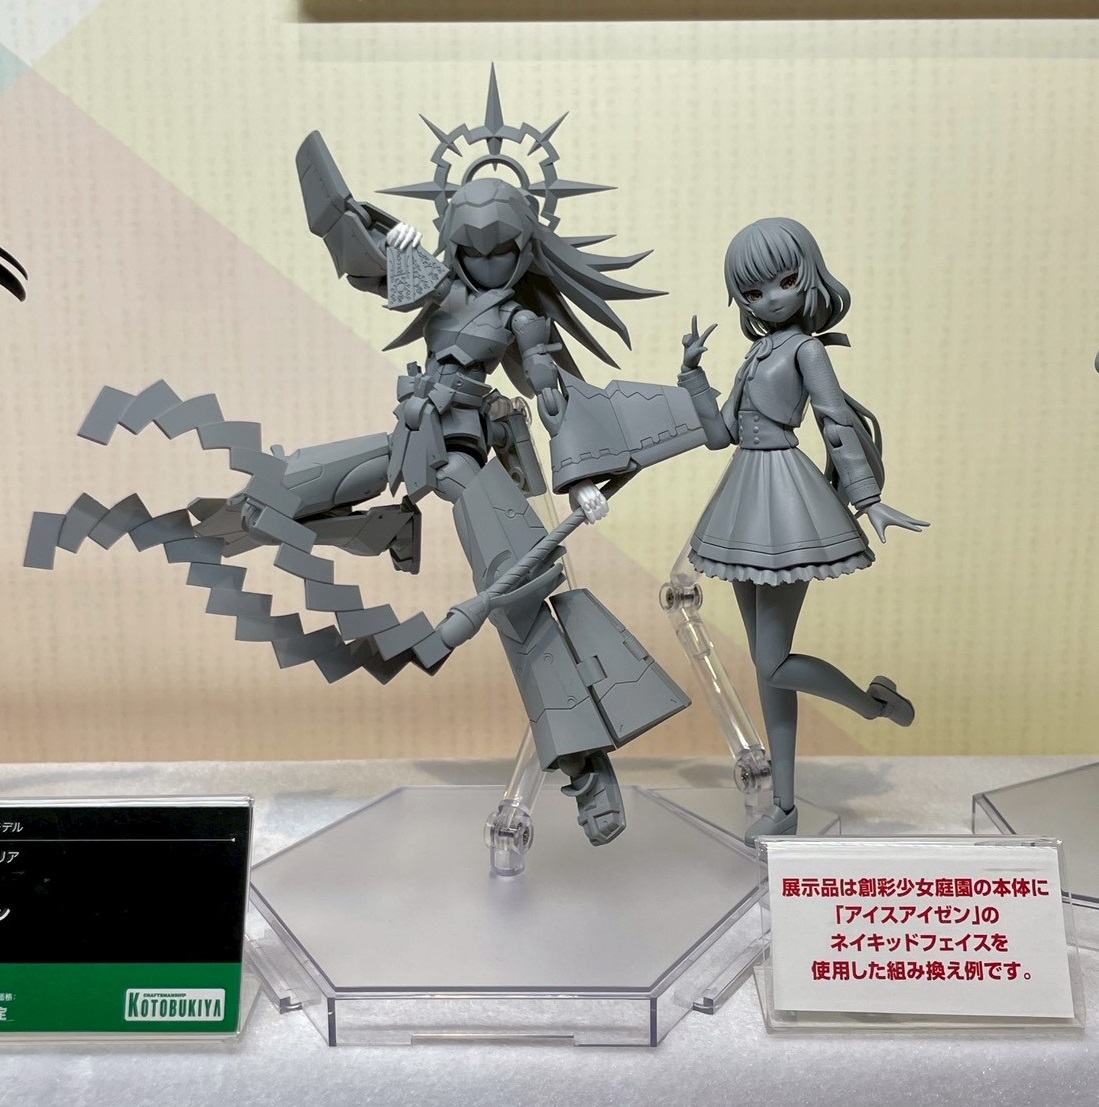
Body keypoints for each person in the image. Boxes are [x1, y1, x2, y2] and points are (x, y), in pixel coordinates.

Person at [676, 217, 928, 843]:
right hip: (743, 496)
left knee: (772, 660)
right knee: (768, 668)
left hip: (787, 501)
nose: (770, 299)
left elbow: (834, 423)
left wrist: (869, 498)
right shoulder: (755, 353)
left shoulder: (807, 350)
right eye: (753, 292)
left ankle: (872, 705)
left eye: (785, 282)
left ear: (809, 276)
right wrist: (693, 376)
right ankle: (784, 807)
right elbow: (720, 435)